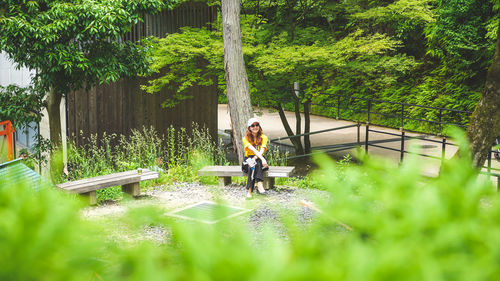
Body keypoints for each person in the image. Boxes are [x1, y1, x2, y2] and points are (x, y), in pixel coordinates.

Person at [242, 117, 269, 198]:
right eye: (252, 125)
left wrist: (257, 158)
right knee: (252, 164)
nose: (255, 127)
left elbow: (262, 149)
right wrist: (262, 159)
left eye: (257, 125)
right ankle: (259, 185)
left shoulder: (264, 137)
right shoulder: (245, 138)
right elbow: (253, 150)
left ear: (259, 126)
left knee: (254, 164)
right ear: (249, 128)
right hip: (248, 159)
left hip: (259, 158)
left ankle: (250, 191)